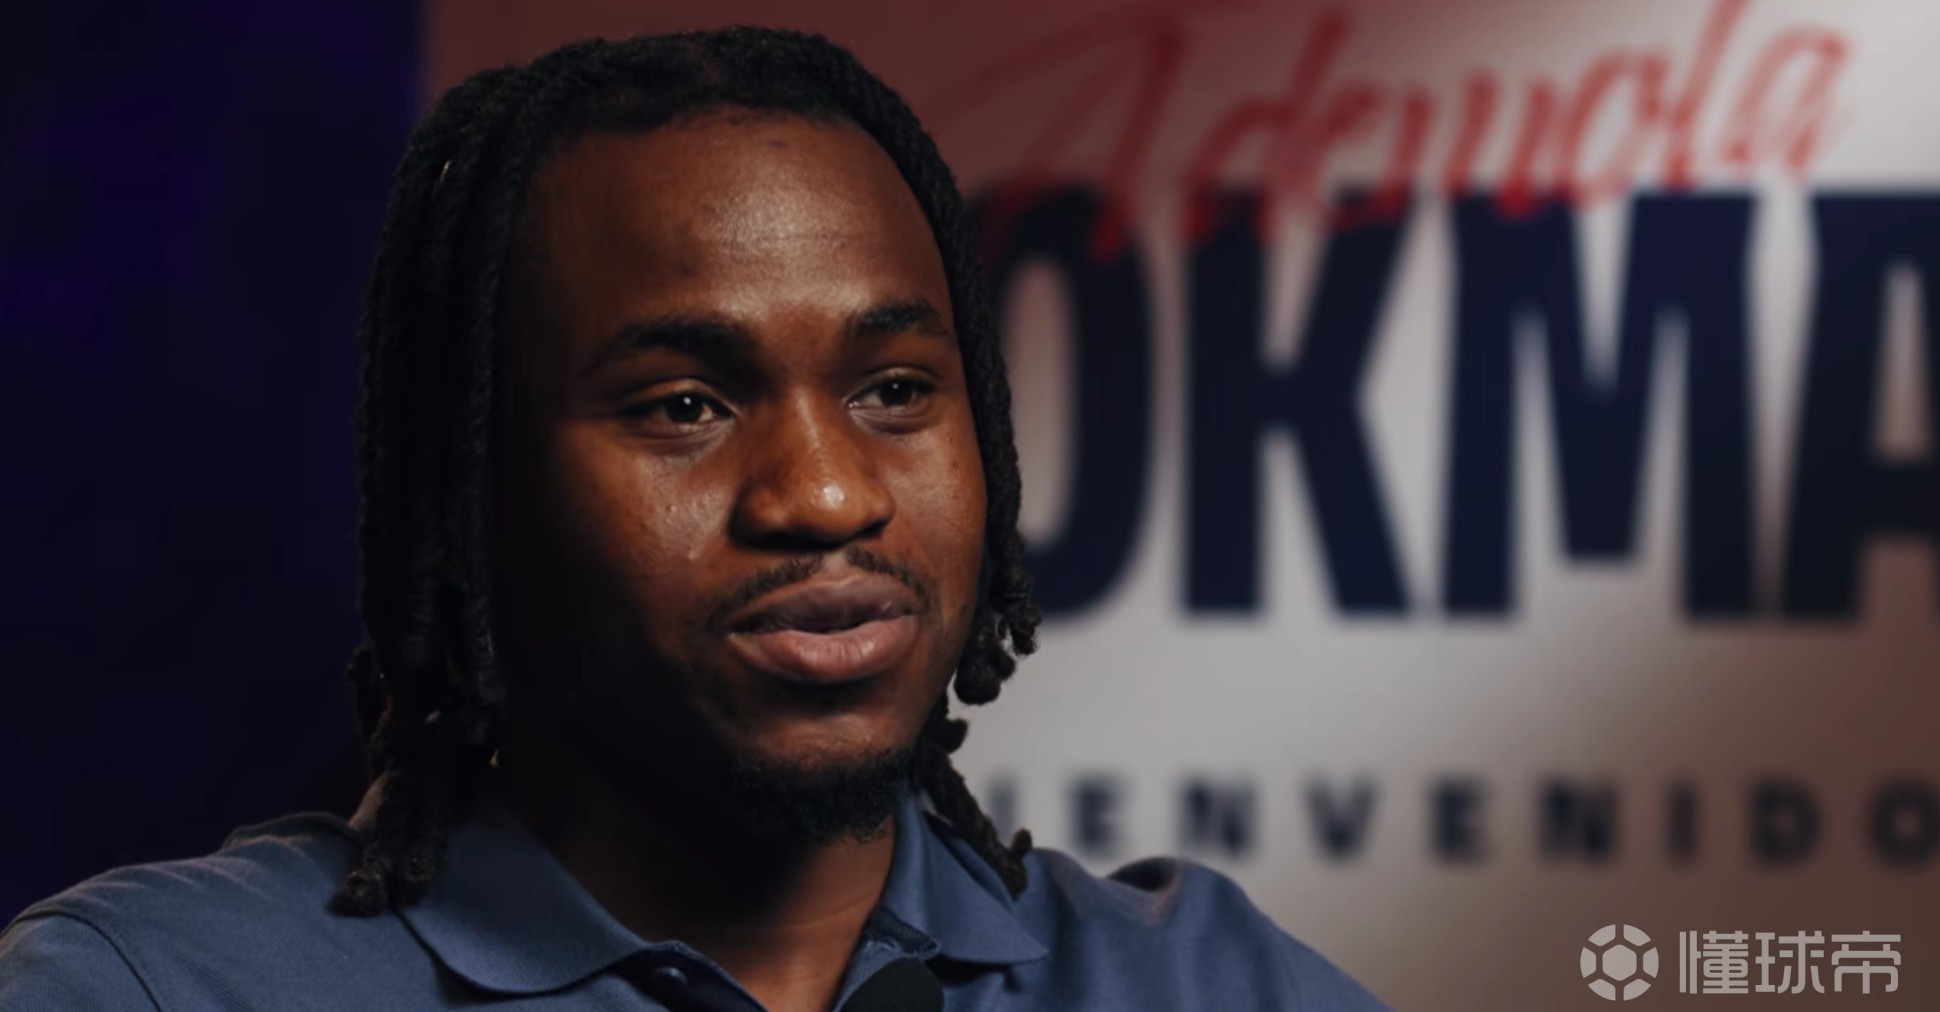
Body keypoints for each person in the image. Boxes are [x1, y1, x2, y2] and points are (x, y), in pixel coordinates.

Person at [0, 28, 1386, 1012]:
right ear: (475, 494)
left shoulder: (1201, 981)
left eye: (895, 390)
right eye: (683, 406)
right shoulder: (154, 989)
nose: (828, 495)